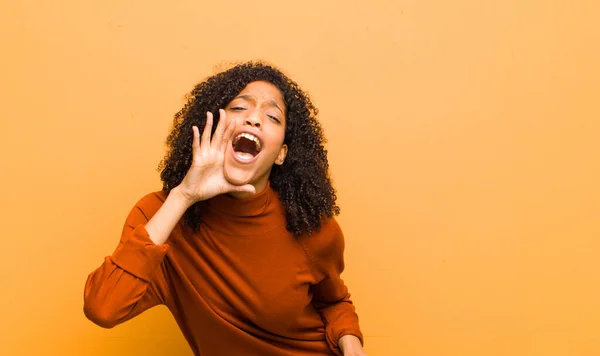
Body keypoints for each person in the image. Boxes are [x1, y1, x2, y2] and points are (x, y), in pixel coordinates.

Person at [83, 62, 366, 356]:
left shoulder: (309, 228)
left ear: (281, 154)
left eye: (271, 116)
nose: (254, 119)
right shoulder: (161, 218)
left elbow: (332, 302)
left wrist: (351, 344)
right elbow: (103, 307)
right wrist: (184, 195)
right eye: (239, 108)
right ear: (214, 127)